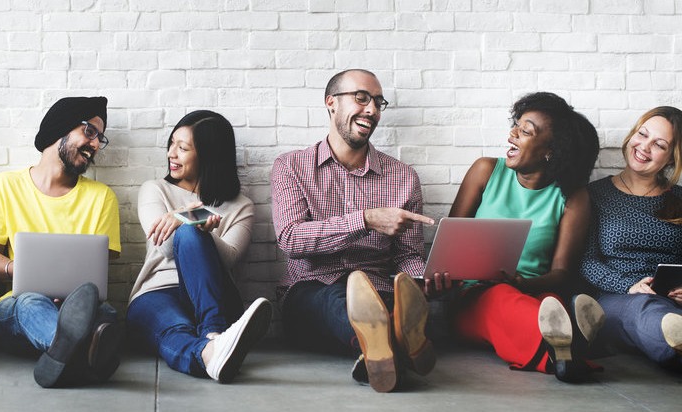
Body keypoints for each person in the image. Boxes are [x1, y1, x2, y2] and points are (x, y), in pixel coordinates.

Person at [271, 69, 438, 393]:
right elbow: (291, 239)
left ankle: (378, 351)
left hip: (381, 288)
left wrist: (422, 281)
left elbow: (407, 254)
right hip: (311, 290)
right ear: (331, 103)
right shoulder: (291, 166)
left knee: (396, 301)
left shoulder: (403, 177)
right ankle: (398, 342)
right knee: (338, 298)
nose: (372, 110)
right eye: (361, 98)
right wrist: (365, 220)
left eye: (378, 102)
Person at [446, 92, 602, 383]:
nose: (512, 134)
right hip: (476, 294)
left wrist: (522, 283)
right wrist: (442, 279)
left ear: (550, 151)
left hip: (535, 291)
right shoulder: (485, 171)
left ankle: (565, 351)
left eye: (525, 131)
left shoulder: (572, 197)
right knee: (505, 299)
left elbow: (562, 273)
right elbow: (449, 245)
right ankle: (575, 343)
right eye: (516, 125)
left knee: (549, 302)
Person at [0, 96, 123, 388]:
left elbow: (98, 270)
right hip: (19, 309)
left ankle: (63, 355)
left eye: (99, 138)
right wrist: (20, 270)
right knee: (31, 302)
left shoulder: (101, 197)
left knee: (105, 312)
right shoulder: (5, 186)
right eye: (90, 132)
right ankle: (83, 353)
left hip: (79, 306)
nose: (95, 144)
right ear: (60, 128)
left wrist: (72, 297)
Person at [127, 110, 272, 383]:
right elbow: (165, 246)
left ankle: (212, 333)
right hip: (158, 293)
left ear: (209, 155)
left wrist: (195, 220)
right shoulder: (154, 189)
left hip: (213, 297)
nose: (172, 153)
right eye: (171, 144)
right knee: (175, 330)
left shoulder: (241, 206)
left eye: (182, 148)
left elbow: (228, 259)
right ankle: (211, 351)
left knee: (192, 235)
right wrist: (188, 216)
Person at [579, 106, 682, 371]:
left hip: (671, 299)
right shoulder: (594, 195)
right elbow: (586, 261)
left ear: (671, 158)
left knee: (661, 314)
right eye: (642, 134)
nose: (644, 147)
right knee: (645, 310)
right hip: (617, 298)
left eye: (658, 144)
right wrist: (629, 286)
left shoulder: (679, 199)